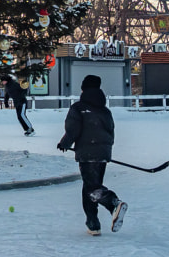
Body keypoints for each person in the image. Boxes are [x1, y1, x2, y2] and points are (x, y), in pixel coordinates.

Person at [57, 74, 128, 236]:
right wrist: (105, 149)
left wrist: (64, 143)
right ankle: (93, 223)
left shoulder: (78, 108)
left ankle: (113, 203)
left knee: (91, 189)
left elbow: (73, 130)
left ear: (83, 89)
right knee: (90, 188)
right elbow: (111, 131)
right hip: (102, 153)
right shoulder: (105, 110)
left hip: (87, 153)